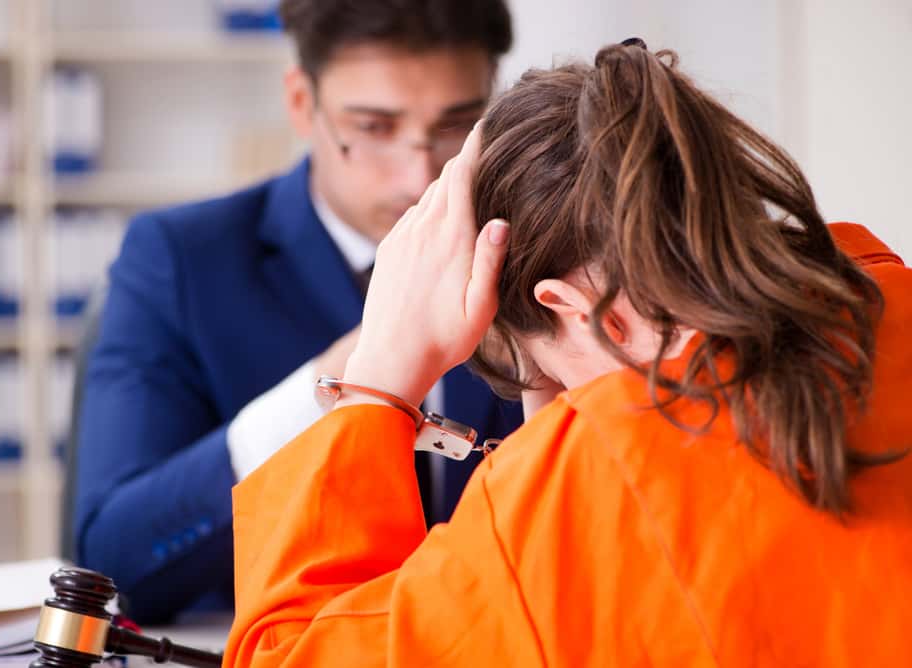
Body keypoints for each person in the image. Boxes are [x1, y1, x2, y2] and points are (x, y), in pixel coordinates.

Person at [223, 41, 912, 666]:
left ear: (566, 305)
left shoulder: (592, 484)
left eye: (542, 374)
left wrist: (378, 382)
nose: (546, 421)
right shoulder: (888, 301)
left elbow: (283, 657)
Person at [73, 0, 521, 623]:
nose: (419, 176)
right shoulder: (179, 261)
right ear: (302, 104)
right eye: (373, 127)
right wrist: (347, 379)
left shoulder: (534, 250)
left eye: (457, 125)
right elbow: (112, 561)